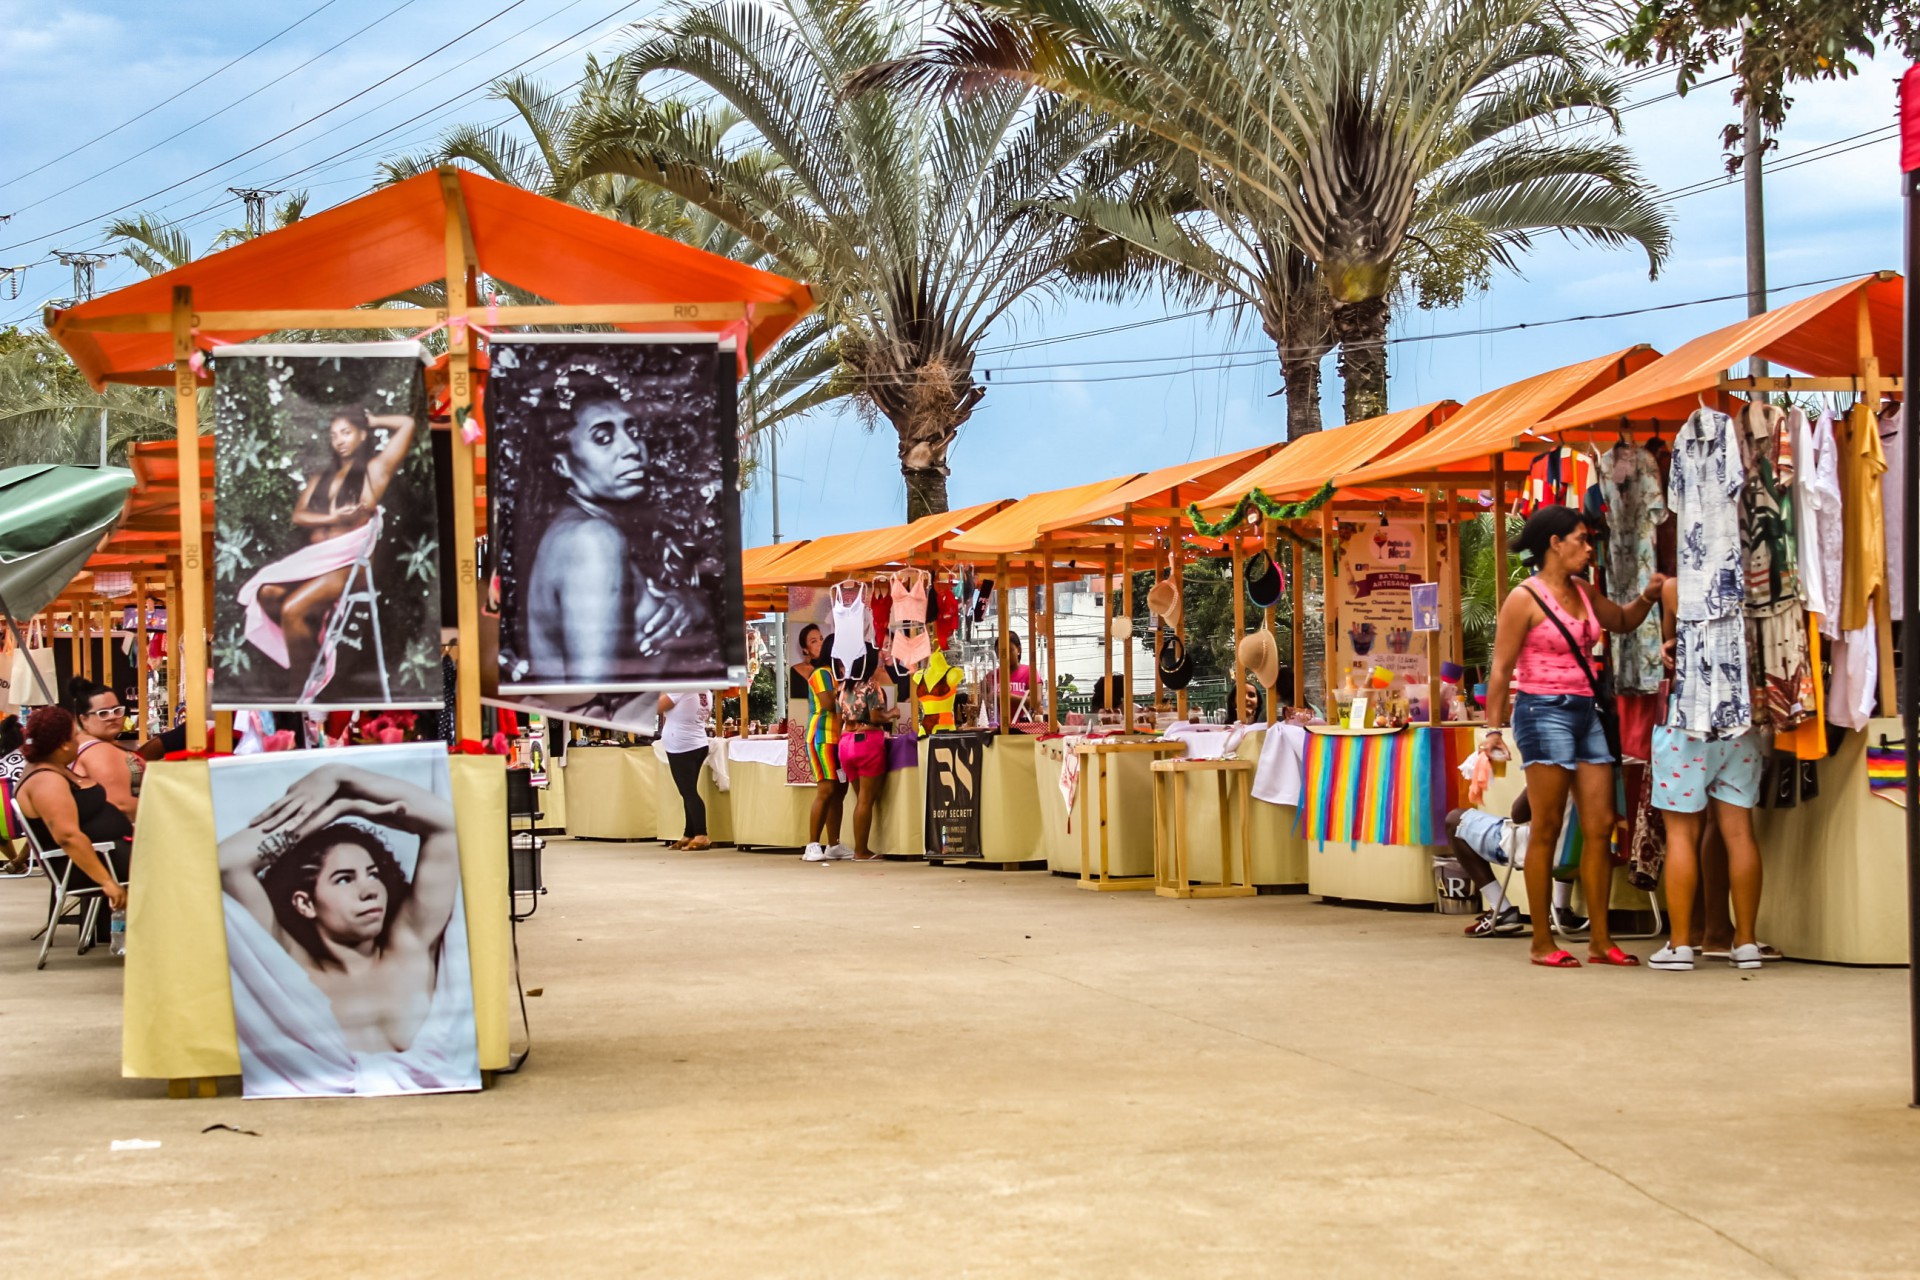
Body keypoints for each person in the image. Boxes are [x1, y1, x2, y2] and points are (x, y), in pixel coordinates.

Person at [1484, 505, 1665, 968]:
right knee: (1546, 826)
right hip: (1542, 711)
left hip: (1587, 712)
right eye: (1581, 539)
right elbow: (1501, 670)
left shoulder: (1585, 592)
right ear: (1555, 544)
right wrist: (1492, 730)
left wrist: (1647, 597)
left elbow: (1621, 622)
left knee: (1601, 825)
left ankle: (1601, 941)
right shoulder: (1524, 598)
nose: (1589, 548)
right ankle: (1542, 940)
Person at [218, 762, 465, 1072]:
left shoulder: (410, 944)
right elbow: (227, 864)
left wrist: (339, 778)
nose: (370, 890)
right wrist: (326, 816)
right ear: (305, 903)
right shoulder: (289, 967)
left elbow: (448, 823)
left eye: (373, 874)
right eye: (345, 879)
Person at [523, 381, 708, 683]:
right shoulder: (592, 540)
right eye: (603, 438)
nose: (632, 449)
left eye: (633, 432)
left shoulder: (578, 531)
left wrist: (692, 605)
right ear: (562, 465)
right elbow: (592, 696)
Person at [238, 406, 418, 697]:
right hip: (317, 560)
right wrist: (336, 518)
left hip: (351, 564)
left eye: (346, 432)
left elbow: (407, 424)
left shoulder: (375, 469)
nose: (340, 440)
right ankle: (314, 658)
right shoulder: (321, 477)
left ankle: (301, 690)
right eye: (334, 435)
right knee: (266, 592)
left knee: (293, 608)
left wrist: (373, 420)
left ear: (362, 434)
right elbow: (300, 515)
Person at [1647, 576, 1770, 971]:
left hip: (1687, 718)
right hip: (1737, 719)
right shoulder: (1756, 582)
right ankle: (1746, 941)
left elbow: (1672, 646)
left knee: (1683, 832)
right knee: (1739, 833)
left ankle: (1681, 944)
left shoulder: (1673, 588)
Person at [14, 707, 133, 928]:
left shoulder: (53, 768)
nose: (80, 741)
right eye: (75, 735)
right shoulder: (46, 781)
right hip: (92, 865)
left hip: (108, 854)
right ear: (63, 744)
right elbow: (67, 836)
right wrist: (107, 881)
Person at [794, 625, 850, 862]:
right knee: (826, 789)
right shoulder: (821, 674)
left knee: (839, 791)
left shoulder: (839, 676)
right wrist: (850, 695)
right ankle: (812, 844)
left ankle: (834, 844)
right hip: (822, 738)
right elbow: (828, 703)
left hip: (840, 739)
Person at [1445, 791, 1532, 936]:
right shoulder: (1583, 774)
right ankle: (1562, 909)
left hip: (1533, 847)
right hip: (1570, 852)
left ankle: (1501, 909)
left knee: (1455, 820)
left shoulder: (1546, 769)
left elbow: (1519, 814)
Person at [836, 650, 893, 862]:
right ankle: (861, 850)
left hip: (846, 742)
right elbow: (877, 715)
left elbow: (838, 712)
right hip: (866, 741)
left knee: (861, 798)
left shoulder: (844, 687)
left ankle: (860, 847)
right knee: (866, 800)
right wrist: (893, 713)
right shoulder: (871, 685)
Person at [67, 678, 140, 825]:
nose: (112, 717)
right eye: (103, 713)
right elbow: (121, 805)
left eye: (117, 710)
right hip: (118, 838)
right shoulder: (99, 751)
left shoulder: (83, 744)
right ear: (84, 719)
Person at [658, 687, 715, 851]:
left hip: (681, 746)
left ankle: (701, 834)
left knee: (688, 792)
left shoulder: (680, 689)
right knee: (688, 791)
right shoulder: (705, 692)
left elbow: (657, 707)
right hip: (697, 742)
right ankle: (688, 833)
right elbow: (705, 715)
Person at [1, 714, 28, 875]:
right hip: (24, 822)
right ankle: (19, 861)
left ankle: (17, 863)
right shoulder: (30, 761)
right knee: (47, 825)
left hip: (1, 825)